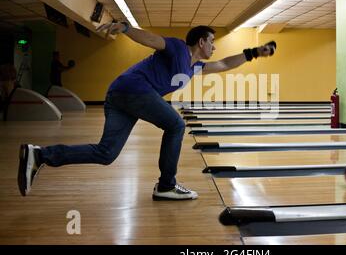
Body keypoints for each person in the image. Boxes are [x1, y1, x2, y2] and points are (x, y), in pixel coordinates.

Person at [18, 22, 276, 200]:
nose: (214, 47)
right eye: (212, 42)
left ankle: (40, 155)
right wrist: (127, 29)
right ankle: (166, 186)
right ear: (201, 41)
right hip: (134, 90)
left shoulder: (193, 66)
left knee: (106, 153)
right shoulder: (177, 48)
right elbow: (153, 39)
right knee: (175, 125)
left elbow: (222, 64)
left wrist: (254, 53)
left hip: (119, 95)